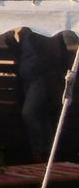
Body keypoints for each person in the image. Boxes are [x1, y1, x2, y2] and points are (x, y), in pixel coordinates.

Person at [18, 30, 74, 159]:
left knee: (29, 113)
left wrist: (38, 67)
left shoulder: (45, 31)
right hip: (27, 79)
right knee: (41, 114)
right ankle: (45, 149)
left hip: (41, 79)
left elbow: (54, 55)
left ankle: (41, 148)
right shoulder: (25, 32)